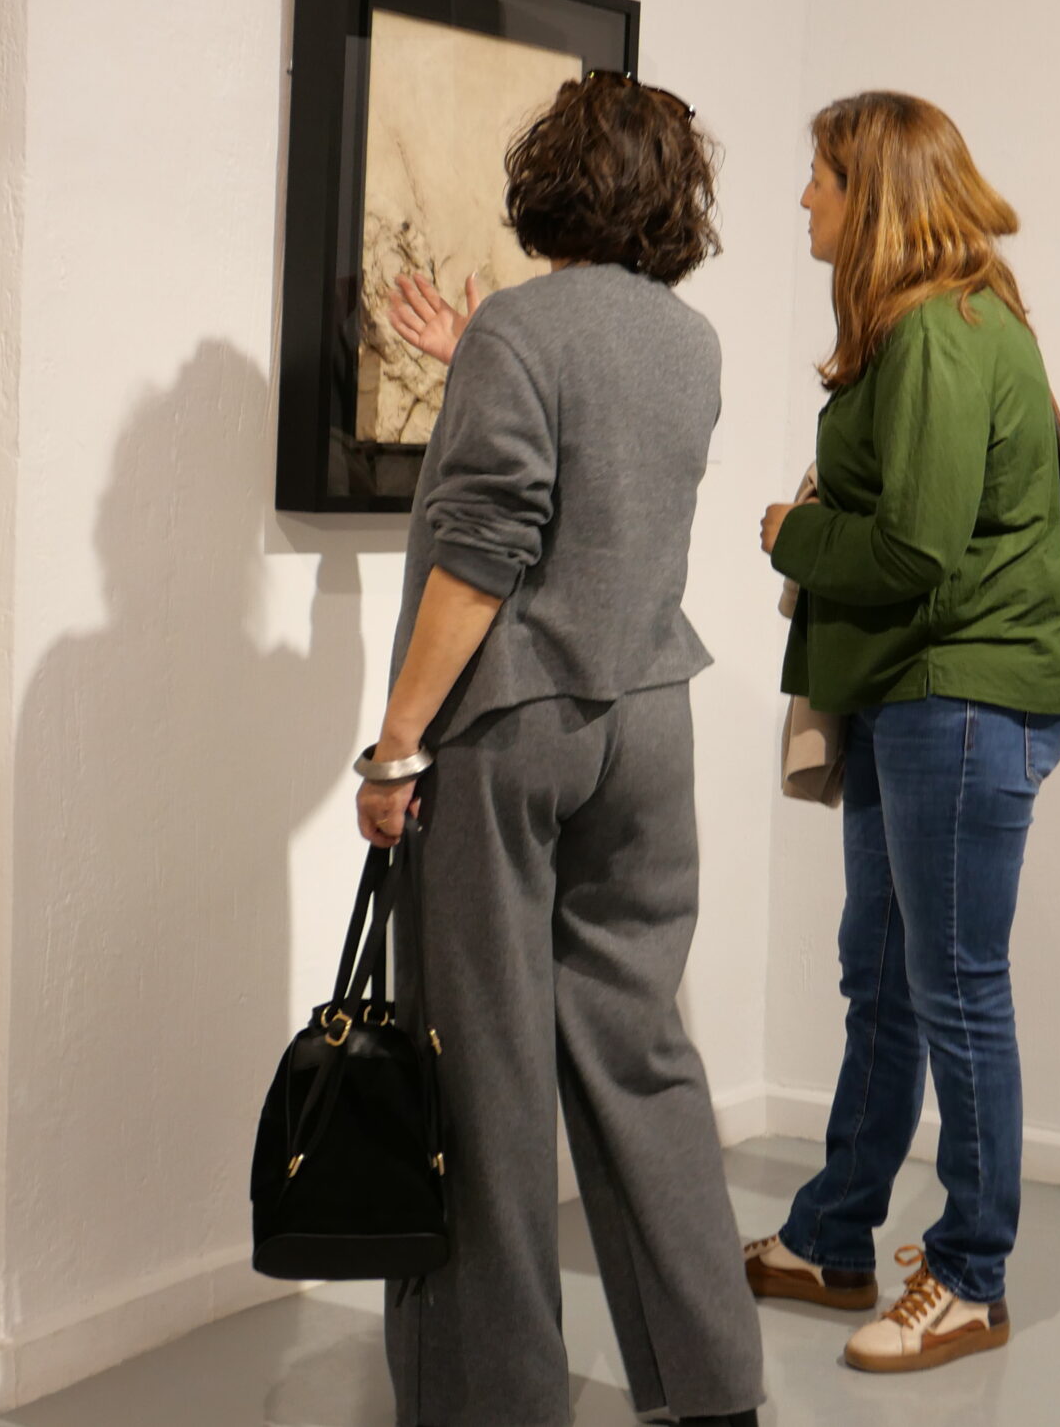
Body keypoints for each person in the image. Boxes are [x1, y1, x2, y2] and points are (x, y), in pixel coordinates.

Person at [354, 70, 762, 1427]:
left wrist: (397, 744)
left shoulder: (522, 333)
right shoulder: (685, 341)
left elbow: (481, 557)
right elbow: (602, 478)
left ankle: (494, 1401)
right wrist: (489, 352)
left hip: (511, 724)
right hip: (648, 718)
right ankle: (714, 1386)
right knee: (639, 1050)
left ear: (550, 182)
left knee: (485, 1067)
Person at [745, 91, 1060, 1375]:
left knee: (953, 988)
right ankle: (837, 1236)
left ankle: (971, 1276)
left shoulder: (941, 332)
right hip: (917, 690)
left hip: (962, 693)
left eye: (820, 177)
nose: (805, 200)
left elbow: (917, 548)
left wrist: (791, 533)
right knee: (882, 976)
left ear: (871, 191)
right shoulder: (927, 322)